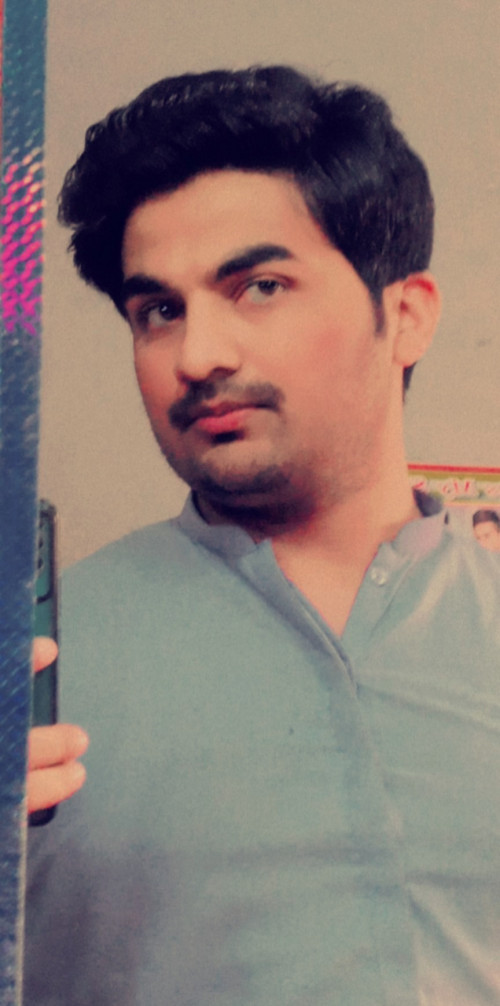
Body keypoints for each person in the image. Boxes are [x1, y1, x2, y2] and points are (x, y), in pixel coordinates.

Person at [25, 66, 500, 1005]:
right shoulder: (35, 666)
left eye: (260, 287)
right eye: (159, 311)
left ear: (405, 316)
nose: (197, 355)